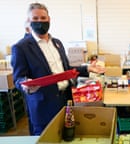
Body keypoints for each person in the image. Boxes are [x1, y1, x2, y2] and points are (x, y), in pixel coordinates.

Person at [11, 2, 105, 135]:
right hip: (43, 106)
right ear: (29, 21)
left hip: (65, 100)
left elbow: (66, 70)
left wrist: (87, 68)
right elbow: (18, 78)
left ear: (49, 20)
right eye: (35, 18)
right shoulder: (21, 47)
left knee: (67, 135)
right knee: (46, 139)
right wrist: (26, 84)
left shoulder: (57, 43)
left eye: (43, 18)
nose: (40, 22)